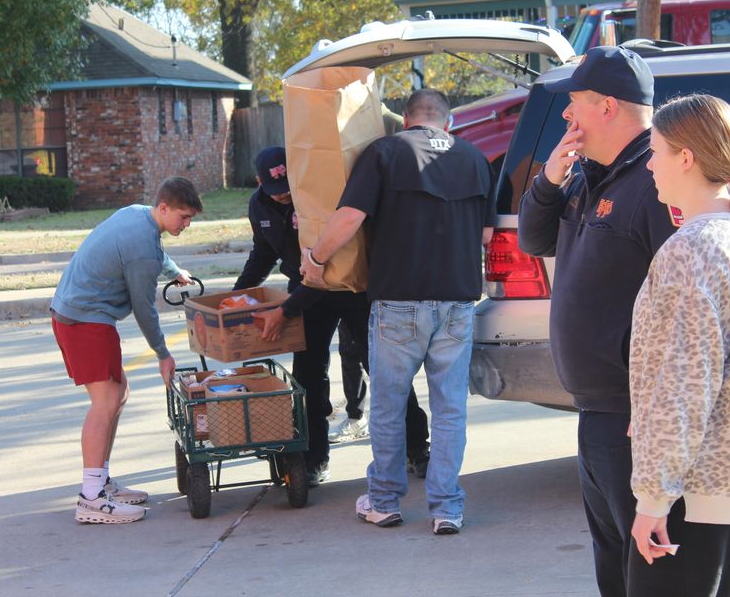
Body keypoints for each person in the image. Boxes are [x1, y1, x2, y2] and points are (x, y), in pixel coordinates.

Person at [517, 45, 678, 595]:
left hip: (634, 415)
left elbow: (682, 308)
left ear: (608, 107)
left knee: (647, 568)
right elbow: (534, 240)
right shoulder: (590, 175)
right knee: (613, 562)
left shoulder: (657, 182)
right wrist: (548, 182)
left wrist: (657, 406)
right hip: (595, 412)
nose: (566, 115)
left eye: (575, 103)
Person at [301, 90, 493, 535]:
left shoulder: (384, 151)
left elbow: (349, 216)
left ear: (405, 119)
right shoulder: (475, 158)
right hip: (457, 305)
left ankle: (385, 501)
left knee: (387, 406)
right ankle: (447, 507)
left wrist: (317, 256)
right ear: (448, 122)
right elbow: (485, 236)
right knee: (450, 411)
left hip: (399, 304)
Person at [627, 94, 730, 597]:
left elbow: (684, 386)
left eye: (655, 151)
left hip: (700, 496)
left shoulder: (694, 248)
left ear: (687, 158)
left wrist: (653, 499)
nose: (649, 164)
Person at [234, 147, 429, 486]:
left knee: (384, 369)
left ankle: (417, 448)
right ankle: (313, 459)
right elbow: (263, 252)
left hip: (351, 288)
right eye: (273, 191)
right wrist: (237, 295)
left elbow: (333, 265)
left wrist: (285, 310)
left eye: (286, 189)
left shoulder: (316, 197)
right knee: (308, 377)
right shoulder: (260, 204)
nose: (281, 196)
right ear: (258, 182)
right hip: (305, 295)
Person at [50, 176, 201, 524]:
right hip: (83, 320)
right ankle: (91, 498)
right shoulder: (142, 248)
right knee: (104, 401)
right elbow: (144, 308)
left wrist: (175, 271)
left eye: (191, 218)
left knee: (119, 393)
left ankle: (101, 482)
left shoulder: (137, 214)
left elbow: (154, 254)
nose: (187, 224)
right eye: (183, 217)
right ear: (163, 208)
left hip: (79, 313)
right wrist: (164, 354)